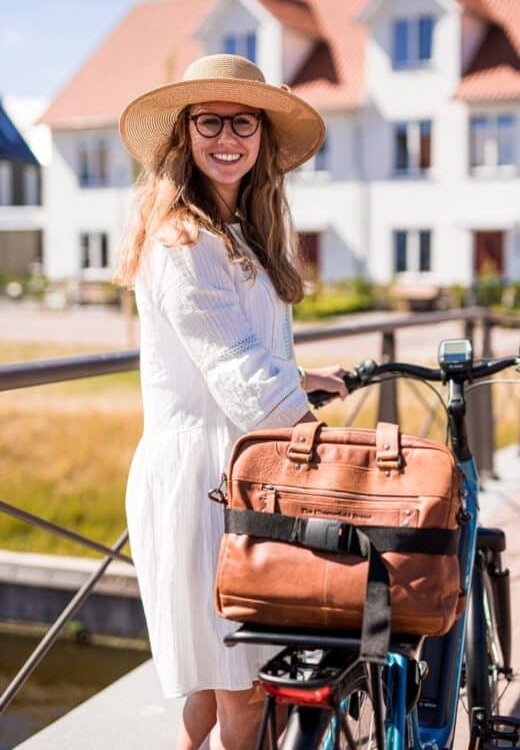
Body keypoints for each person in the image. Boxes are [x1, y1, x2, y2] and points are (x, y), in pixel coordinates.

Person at [114, 54, 349, 750]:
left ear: (261, 138)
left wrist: (299, 376)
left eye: (242, 122)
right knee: (244, 691)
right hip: (205, 481)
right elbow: (234, 370)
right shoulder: (183, 240)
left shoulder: (236, 231)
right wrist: (320, 444)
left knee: (218, 694)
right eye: (209, 121)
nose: (227, 137)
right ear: (184, 137)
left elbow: (245, 350)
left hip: (239, 467)